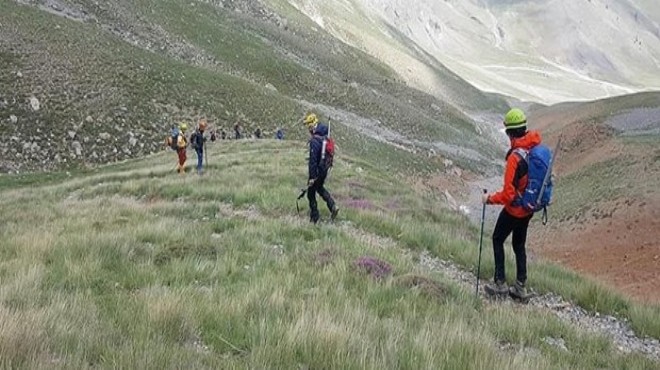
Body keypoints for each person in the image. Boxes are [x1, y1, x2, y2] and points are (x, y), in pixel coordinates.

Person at [482, 108, 542, 299]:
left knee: (497, 239)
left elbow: (508, 195)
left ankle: (500, 284)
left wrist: (489, 199)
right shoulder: (533, 148)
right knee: (519, 245)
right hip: (528, 208)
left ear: (510, 132)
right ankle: (520, 287)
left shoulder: (515, 158)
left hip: (515, 210)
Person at [305, 113, 339, 224]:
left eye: (308, 125)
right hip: (325, 168)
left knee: (310, 193)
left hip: (318, 170)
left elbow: (313, 162)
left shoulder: (315, 141)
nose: (308, 128)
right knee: (319, 188)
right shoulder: (324, 134)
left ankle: (314, 218)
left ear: (312, 125)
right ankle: (332, 205)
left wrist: (312, 177)